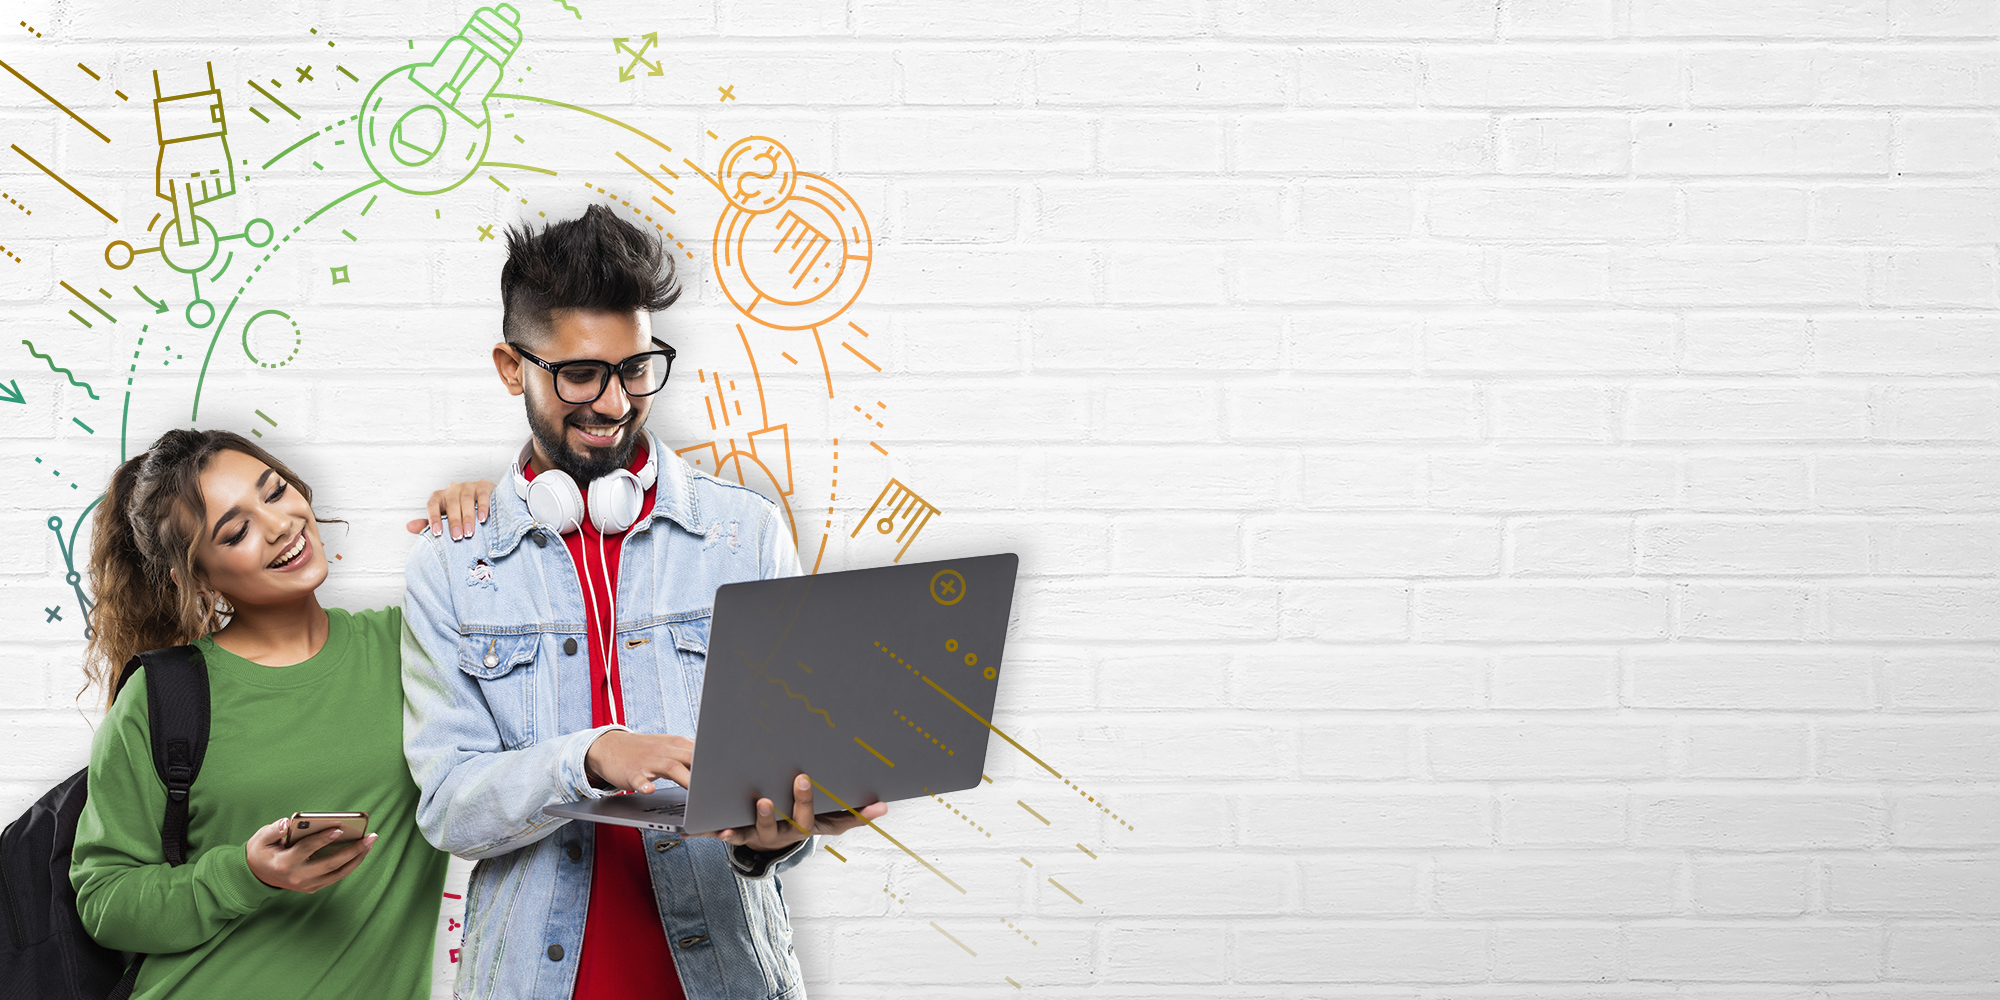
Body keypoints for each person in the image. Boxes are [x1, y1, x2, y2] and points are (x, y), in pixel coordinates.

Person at [400, 204, 884, 1000]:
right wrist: (588, 759)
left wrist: (775, 839)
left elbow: (782, 784)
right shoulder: (453, 563)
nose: (616, 403)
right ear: (510, 367)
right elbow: (450, 807)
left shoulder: (744, 534)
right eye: (580, 374)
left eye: (635, 368)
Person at [69, 429, 486, 999]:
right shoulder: (164, 696)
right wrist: (244, 874)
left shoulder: (410, 646)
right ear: (195, 579)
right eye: (236, 531)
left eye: (275, 492)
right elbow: (105, 900)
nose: (279, 526)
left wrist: (497, 518)